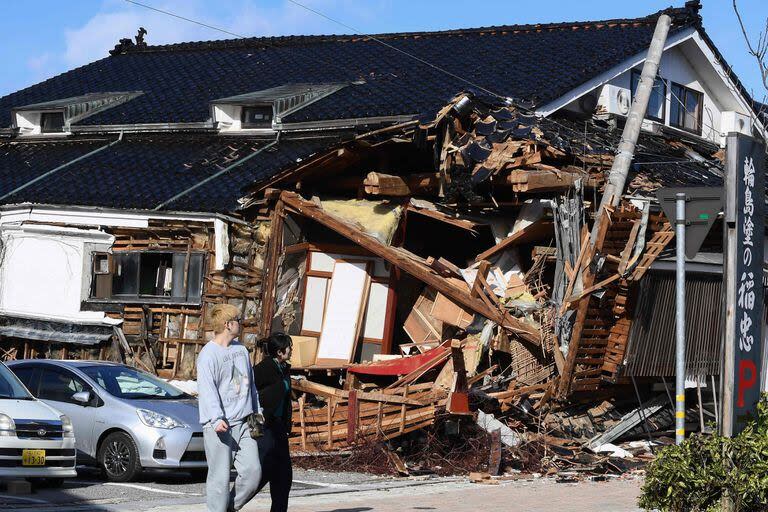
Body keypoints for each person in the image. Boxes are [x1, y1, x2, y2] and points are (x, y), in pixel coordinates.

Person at [196, 303, 262, 512]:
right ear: (227, 324)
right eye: (238, 320)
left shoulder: (241, 350)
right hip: (220, 426)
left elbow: (250, 384)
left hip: (244, 422)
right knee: (219, 481)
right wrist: (216, 419)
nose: (240, 324)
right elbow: (207, 390)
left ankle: (229, 508)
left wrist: (257, 410)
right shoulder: (208, 355)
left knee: (253, 473)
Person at [253, 332, 294, 512]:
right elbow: (251, 399)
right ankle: (232, 503)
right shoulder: (261, 370)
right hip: (264, 426)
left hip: (278, 426)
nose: (291, 350)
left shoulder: (284, 368)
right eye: (289, 347)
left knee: (284, 474)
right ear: (279, 351)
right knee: (261, 473)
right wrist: (254, 429)